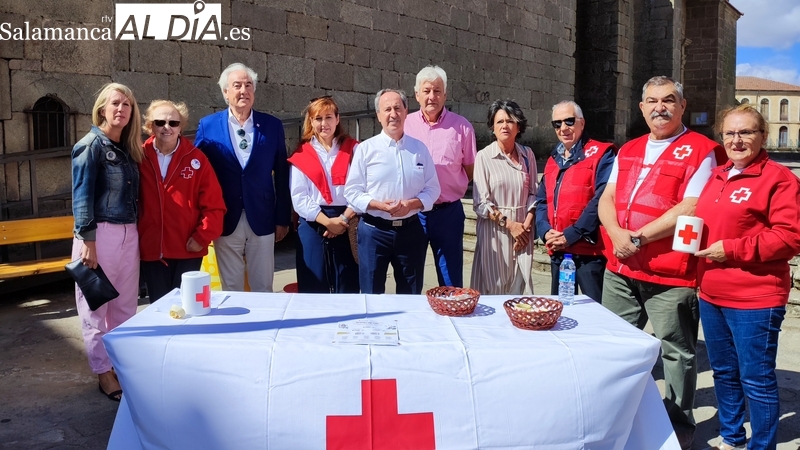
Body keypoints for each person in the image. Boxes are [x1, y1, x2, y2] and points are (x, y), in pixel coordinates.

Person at [598, 75, 725, 449]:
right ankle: (619, 412)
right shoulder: (630, 148)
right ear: (641, 108)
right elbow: (606, 196)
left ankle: (678, 425)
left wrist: (636, 238)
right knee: (615, 344)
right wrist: (617, 235)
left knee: (677, 352)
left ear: (682, 106)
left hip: (670, 274)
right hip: (620, 269)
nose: (660, 107)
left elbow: (691, 205)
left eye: (669, 100)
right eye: (652, 101)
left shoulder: (701, 149)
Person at [694, 105, 800, 450]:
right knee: (724, 373)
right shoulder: (718, 174)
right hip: (711, 293)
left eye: (746, 132)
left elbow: (789, 238)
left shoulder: (780, 179)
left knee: (756, 379)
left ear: (763, 136)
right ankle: (733, 436)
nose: (736, 140)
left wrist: (733, 250)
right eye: (730, 133)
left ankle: (762, 446)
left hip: (755, 298)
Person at [71, 83, 143, 401]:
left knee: (125, 307)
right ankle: (103, 372)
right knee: (95, 307)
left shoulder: (127, 149)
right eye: (115, 103)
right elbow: (81, 196)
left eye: (126, 105)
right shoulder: (90, 145)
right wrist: (89, 241)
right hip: (100, 234)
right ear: (102, 108)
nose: (121, 109)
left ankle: (120, 365)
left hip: (129, 233)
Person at [194, 62, 291, 292]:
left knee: (263, 285)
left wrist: (282, 217)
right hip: (226, 216)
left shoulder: (272, 125)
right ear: (225, 92)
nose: (243, 90)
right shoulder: (208, 125)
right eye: (236, 85)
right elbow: (198, 171)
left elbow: (282, 172)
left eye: (249, 85)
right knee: (231, 287)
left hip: (263, 215)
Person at [344, 89, 440, 294]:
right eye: (386, 109)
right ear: (378, 115)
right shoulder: (365, 149)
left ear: (406, 112)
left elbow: (433, 188)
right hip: (373, 231)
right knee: (371, 293)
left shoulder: (419, 149)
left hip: (411, 231)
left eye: (397, 108)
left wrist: (411, 204)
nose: (393, 114)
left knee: (411, 293)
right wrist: (377, 205)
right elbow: (352, 192)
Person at [138, 100, 226, 302]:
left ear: (181, 127)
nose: (166, 127)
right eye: (160, 122)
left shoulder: (197, 159)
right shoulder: (139, 156)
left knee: (187, 308)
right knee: (160, 307)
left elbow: (214, 205)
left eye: (173, 123)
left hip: (188, 249)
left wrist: (202, 237)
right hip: (152, 251)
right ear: (150, 126)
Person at [535, 100, 615, 302]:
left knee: (594, 314)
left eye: (569, 121)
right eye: (557, 124)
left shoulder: (602, 154)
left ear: (581, 123)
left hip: (589, 252)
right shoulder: (553, 159)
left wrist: (573, 233)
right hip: (559, 251)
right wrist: (545, 231)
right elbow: (542, 200)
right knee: (559, 312)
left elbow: (602, 198)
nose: (563, 128)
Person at [404, 66, 477, 288]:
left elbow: (470, 169)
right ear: (417, 94)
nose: (431, 97)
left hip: (448, 213)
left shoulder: (462, 127)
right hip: (414, 213)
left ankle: (451, 317)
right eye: (426, 91)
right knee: (410, 275)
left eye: (437, 91)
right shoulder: (405, 125)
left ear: (445, 94)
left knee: (451, 278)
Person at [288, 96, 359, 293]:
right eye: (318, 118)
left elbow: (363, 189)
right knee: (314, 282)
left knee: (347, 281)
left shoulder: (354, 149)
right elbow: (299, 197)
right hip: (313, 222)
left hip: (347, 220)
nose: (324, 124)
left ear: (338, 119)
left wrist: (343, 219)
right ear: (311, 122)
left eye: (328, 117)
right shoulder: (301, 153)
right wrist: (327, 222)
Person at [470, 100, 537, 295]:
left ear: (518, 126)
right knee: (493, 289)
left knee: (518, 290)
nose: (504, 126)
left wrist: (525, 227)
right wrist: (510, 225)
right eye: (499, 122)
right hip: (495, 233)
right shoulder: (484, 156)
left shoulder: (528, 155)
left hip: (523, 232)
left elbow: (534, 193)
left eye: (510, 121)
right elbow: (481, 203)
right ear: (493, 127)